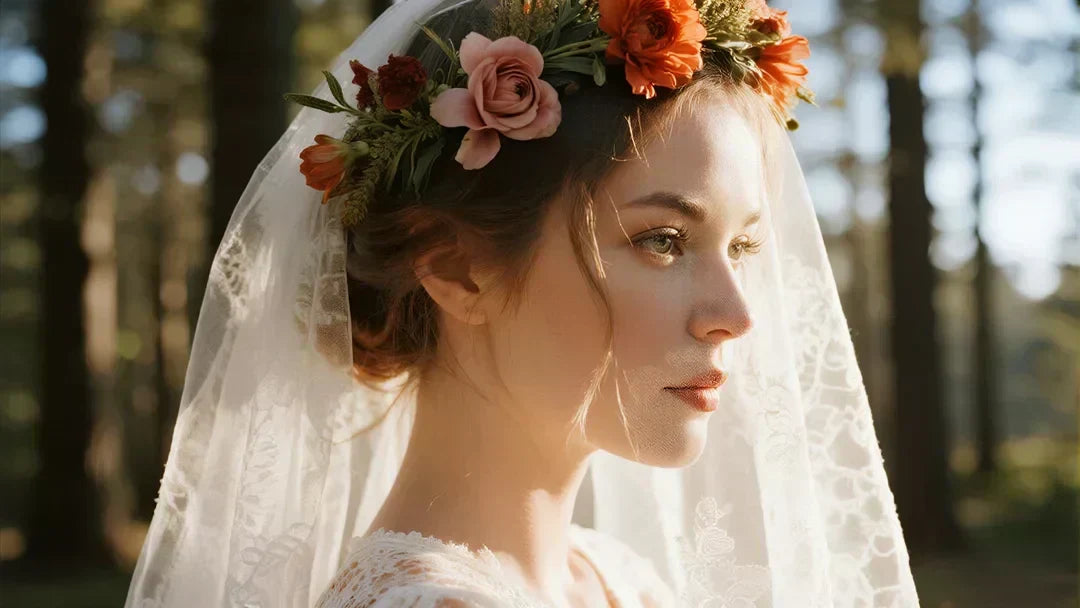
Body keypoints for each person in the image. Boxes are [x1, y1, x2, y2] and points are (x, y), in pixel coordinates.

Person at [124, 0, 920, 606]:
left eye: (742, 246)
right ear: (458, 270)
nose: (738, 314)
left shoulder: (612, 579)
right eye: (663, 241)